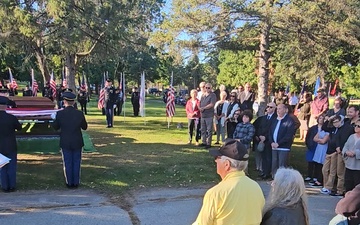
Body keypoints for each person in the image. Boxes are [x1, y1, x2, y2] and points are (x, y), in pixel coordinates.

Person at [193, 139, 265, 225]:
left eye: (217, 158)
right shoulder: (256, 187)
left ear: (227, 164)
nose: (215, 161)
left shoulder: (216, 193)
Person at [52, 92, 88, 189]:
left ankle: (69, 183)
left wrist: (54, 119)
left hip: (65, 141)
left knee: (67, 162)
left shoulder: (60, 114)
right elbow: (84, 127)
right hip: (77, 140)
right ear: (74, 102)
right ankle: (76, 182)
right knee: (76, 162)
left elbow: (55, 127)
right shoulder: (79, 113)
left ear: (64, 102)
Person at [321, 115, 354, 196]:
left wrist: (339, 148)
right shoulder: (332, 128)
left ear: (340, 121)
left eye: (336, 122)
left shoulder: (344, 129)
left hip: (337, 152)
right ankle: (327, 186)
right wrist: (330, 118)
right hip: (330, 151)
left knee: (338, 172)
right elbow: (324, 127)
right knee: (325, 170)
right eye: (334, 122)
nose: (335, 124)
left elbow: (341, 139)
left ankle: (339, 189)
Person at [0, 96, 22, 192]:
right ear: (5, 106)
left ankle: (4, 186)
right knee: (11, 167)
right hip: (11, 144)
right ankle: (12, 185)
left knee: (2, 167)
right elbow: (19, 128)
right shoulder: (11, 118)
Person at [269, 103, 296, 176]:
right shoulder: (275, 120)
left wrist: (279, 143)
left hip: (283, 147)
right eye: (277, 109)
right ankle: (274, 179)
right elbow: (270, 132)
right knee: (274, 164)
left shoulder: (289, 121)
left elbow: (288, 135)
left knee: (282, 165)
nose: (278, 110)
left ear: (285, 110)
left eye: (280, 109)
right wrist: (271, 142)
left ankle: (281, 180)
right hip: (274, 146)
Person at [253, 102, 277, 180]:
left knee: (268, 157)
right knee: (263, 157)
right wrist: (259, 136)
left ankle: (268, 173)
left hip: (269, 140)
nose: (269, 108)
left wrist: (265, 137)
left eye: (271, 107)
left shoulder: (275, 118)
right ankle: (263, 172)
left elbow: (272, 130)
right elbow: (259, 127)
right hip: (261, 140)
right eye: (268, 107)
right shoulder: (263, 118)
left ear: (274, 109)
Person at [342, 119, 360, 193]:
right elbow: (345, 146)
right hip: (349, 165)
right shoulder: (351, 136)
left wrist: (355, 152)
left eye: (358, 126)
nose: (356, 127)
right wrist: (346, 152)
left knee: (357, 186)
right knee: (348, 184)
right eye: (355, 125)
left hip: (358, 167)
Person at [199, 83, 217, 149]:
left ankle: (208, 143)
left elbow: (212, 104)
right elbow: (200, 103)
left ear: (211, 88)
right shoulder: (203, 95)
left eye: (208, 88)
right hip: (203, 115)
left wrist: (204, 108)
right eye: (206, 87)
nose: (207, 89)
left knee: (209, 130)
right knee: (203, 129)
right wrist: (200, 108)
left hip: (209, 115)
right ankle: (203, 141)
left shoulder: (213, 95)